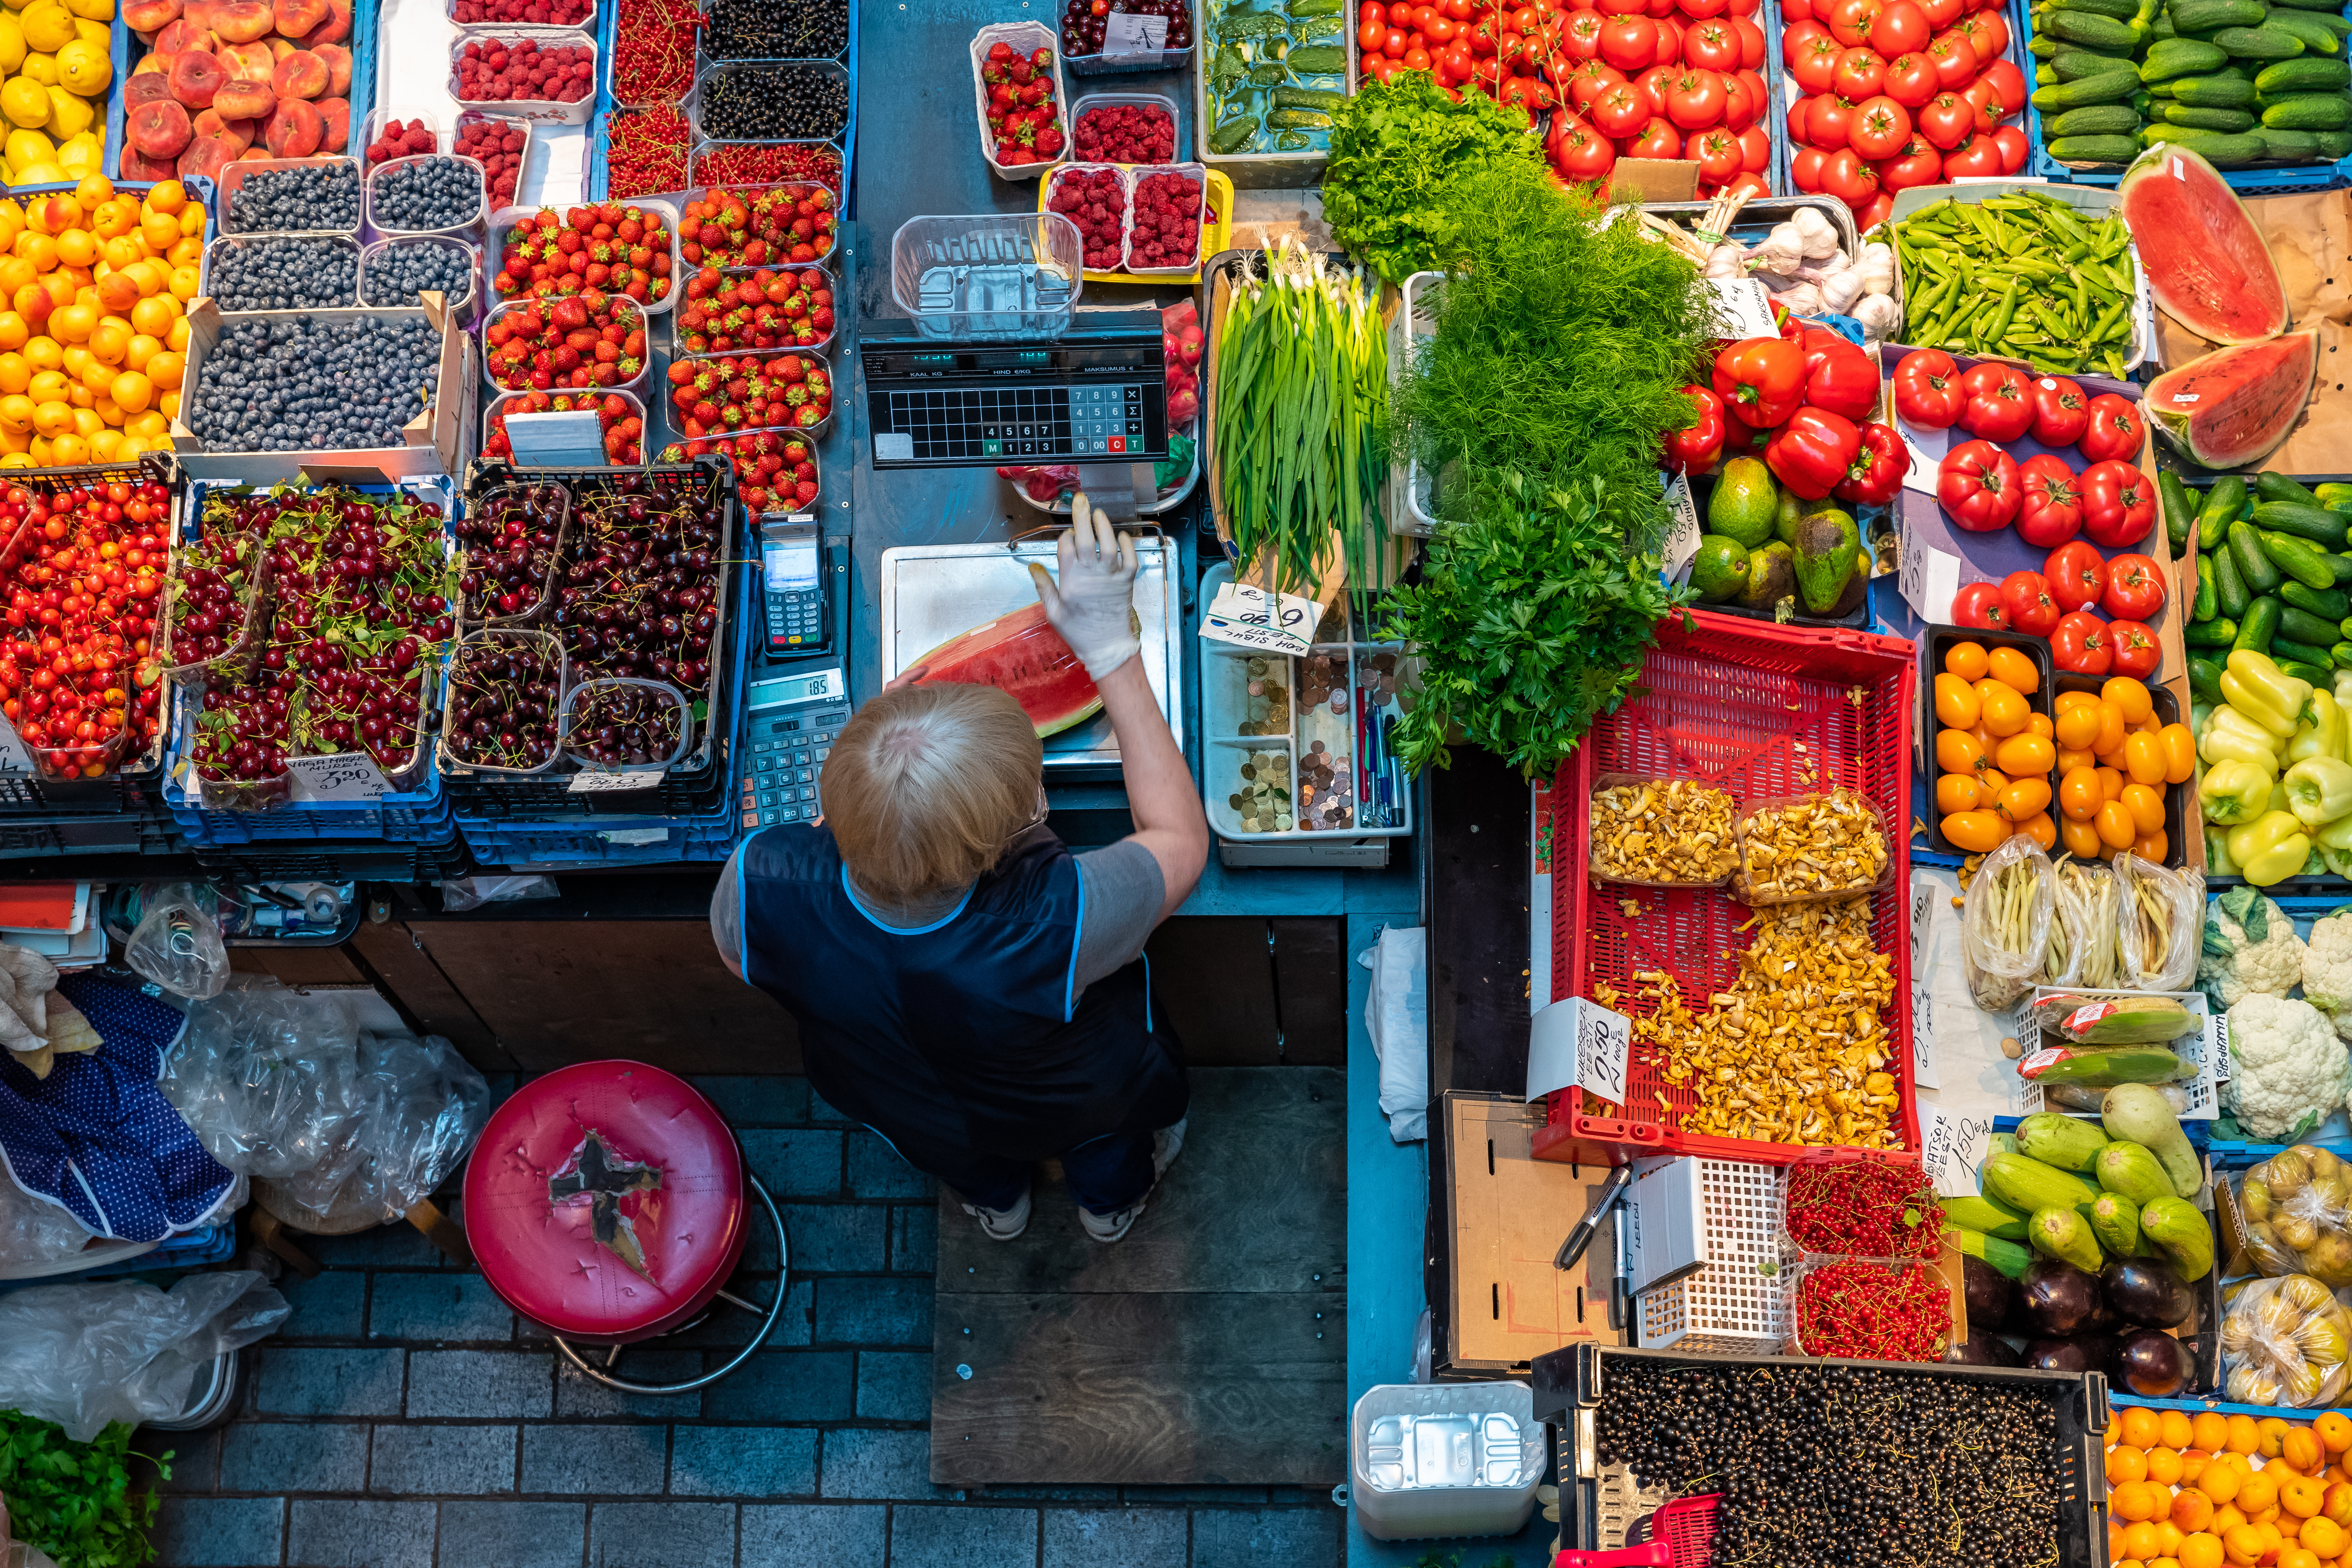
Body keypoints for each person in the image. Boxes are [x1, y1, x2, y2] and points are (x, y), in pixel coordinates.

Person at [712, 498, 1209, 1243]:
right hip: (1073, 1100)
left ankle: (999, 1209)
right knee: (1107, 1151)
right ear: (1011, 835)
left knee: (960, 1158)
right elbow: (1180, 841)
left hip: (902, 1100)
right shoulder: (1057, 920)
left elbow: (739, 957)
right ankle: (1108, 1213)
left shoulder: (757, 881)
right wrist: (1111, 651)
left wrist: (885, 788)